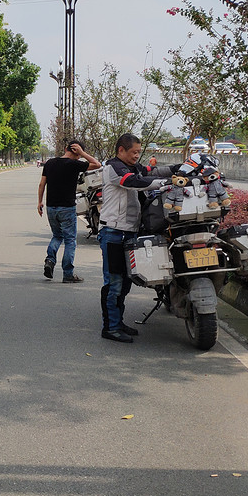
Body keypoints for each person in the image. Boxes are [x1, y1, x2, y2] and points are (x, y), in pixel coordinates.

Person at [97, 134, 172, 343]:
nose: (137, 156)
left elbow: (152, 171)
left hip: (130, 232)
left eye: (139, 153)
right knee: (114, 282)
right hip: (113, 232)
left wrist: (179, 169)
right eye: (134, 153)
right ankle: (110, 327)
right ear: (121, 150)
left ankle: (118, 322)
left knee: (126, 282)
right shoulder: (113, 168)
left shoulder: (133, 167)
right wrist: (162, 184)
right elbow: (133, 182)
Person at [38, 139, 100, 283]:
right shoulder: (74, 164)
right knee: (70, 240)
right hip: (66, 208)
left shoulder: (50, 163)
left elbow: (42, 184)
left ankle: (50, 260)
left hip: (51, 207)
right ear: (75, 151)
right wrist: (83, 153)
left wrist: (39, 201)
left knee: (57, 236)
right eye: (78, 153)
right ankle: (68, 274)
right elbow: (97, 164)